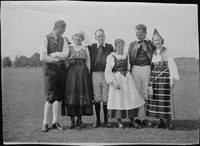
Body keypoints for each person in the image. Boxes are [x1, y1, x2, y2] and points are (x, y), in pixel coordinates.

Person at [105, 39, 145, 129]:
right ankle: (119, 121)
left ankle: (132, 120)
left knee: (130, 98)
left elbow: (128, 67)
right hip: (117, 79)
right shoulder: (111, 56)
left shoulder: (126, 55)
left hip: (127, 79)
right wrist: (114, 82)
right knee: (118, 99)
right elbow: (108, 71)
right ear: (115, 47)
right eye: (119, 46)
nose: (121, 48)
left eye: (122, 46)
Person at [146, 29, 180, 129]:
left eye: (158, 40)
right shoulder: (152, 53)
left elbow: (171, 65)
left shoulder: (167, 51)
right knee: (156, 100)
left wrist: (172, 79)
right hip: (154, 78)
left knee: (164, 100)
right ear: (153, 42)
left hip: (164, 78)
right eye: (155, 40)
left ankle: (168, 122)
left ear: (162, 40)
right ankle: (161, 122)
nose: (157, 42)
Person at [40, 20, 69, 132]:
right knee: (50, 97)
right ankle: (45, 123)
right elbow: (43, 56)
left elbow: (66, 53)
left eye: (63, 32)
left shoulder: (63, 40)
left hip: (61, 70)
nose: (60, 34)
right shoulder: (45, 38)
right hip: (50, 70)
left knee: (59, 97)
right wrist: (54, 58)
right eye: (59, 31)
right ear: (54, 28)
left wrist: (54, 55)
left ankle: (55, 122)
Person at [62, 30, 93, 129]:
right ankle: (72, 120)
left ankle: (79, 119)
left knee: (81, 93)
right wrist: (68, 61)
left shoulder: (85, 48)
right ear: (73, 37)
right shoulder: (69, 47)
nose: (77, 38)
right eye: (76, 36)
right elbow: (65, 63)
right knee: (72, 93)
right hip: (72, 73)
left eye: (80, 36)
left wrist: (87, 73)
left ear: (82, 38)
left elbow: (88, 62)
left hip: (83, 73)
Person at [128, 24, 156, 127]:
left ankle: (143, 117)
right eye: (136, 34)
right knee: (137, 92)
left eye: (140, 34)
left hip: (147, 68)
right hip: (135, 68)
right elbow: (129, 58)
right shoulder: (132, 44)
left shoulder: (150, 44)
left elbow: (158, 49)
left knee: (145, 92)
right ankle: (136, 117)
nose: (138, 36)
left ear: (145, 33)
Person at [88, 28, 114, 128]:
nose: (100, 38)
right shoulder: (91, 47)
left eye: (102, 36)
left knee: (106, 97)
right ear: (95, 37)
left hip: (106, 74)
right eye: (98, 36)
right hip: (95, 74)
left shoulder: (110, 47)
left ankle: (106, 120)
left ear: (105, 36)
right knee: (97, 97)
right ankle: (98, 120)